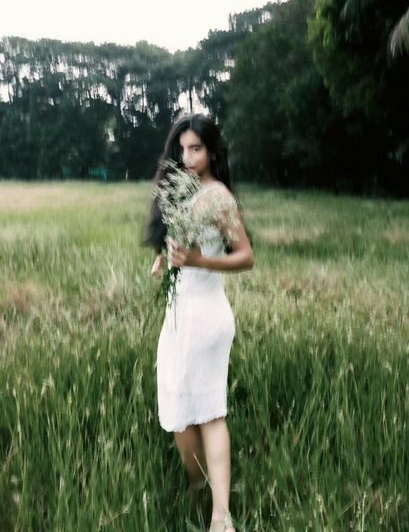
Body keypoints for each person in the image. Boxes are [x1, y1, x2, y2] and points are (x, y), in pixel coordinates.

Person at [144, 113, 254, 532]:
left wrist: (198, 261)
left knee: (210, 412)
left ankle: (220, 515)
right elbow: (179, 240)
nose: (189, 157)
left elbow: (246, 256)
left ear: (211, 151)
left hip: (207, 315)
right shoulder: (181, 190)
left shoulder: (217, 195)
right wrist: (165, 259)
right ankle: (197, 484)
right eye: (183, 148)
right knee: (177, 409)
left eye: (197, 148)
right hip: (178, 316)